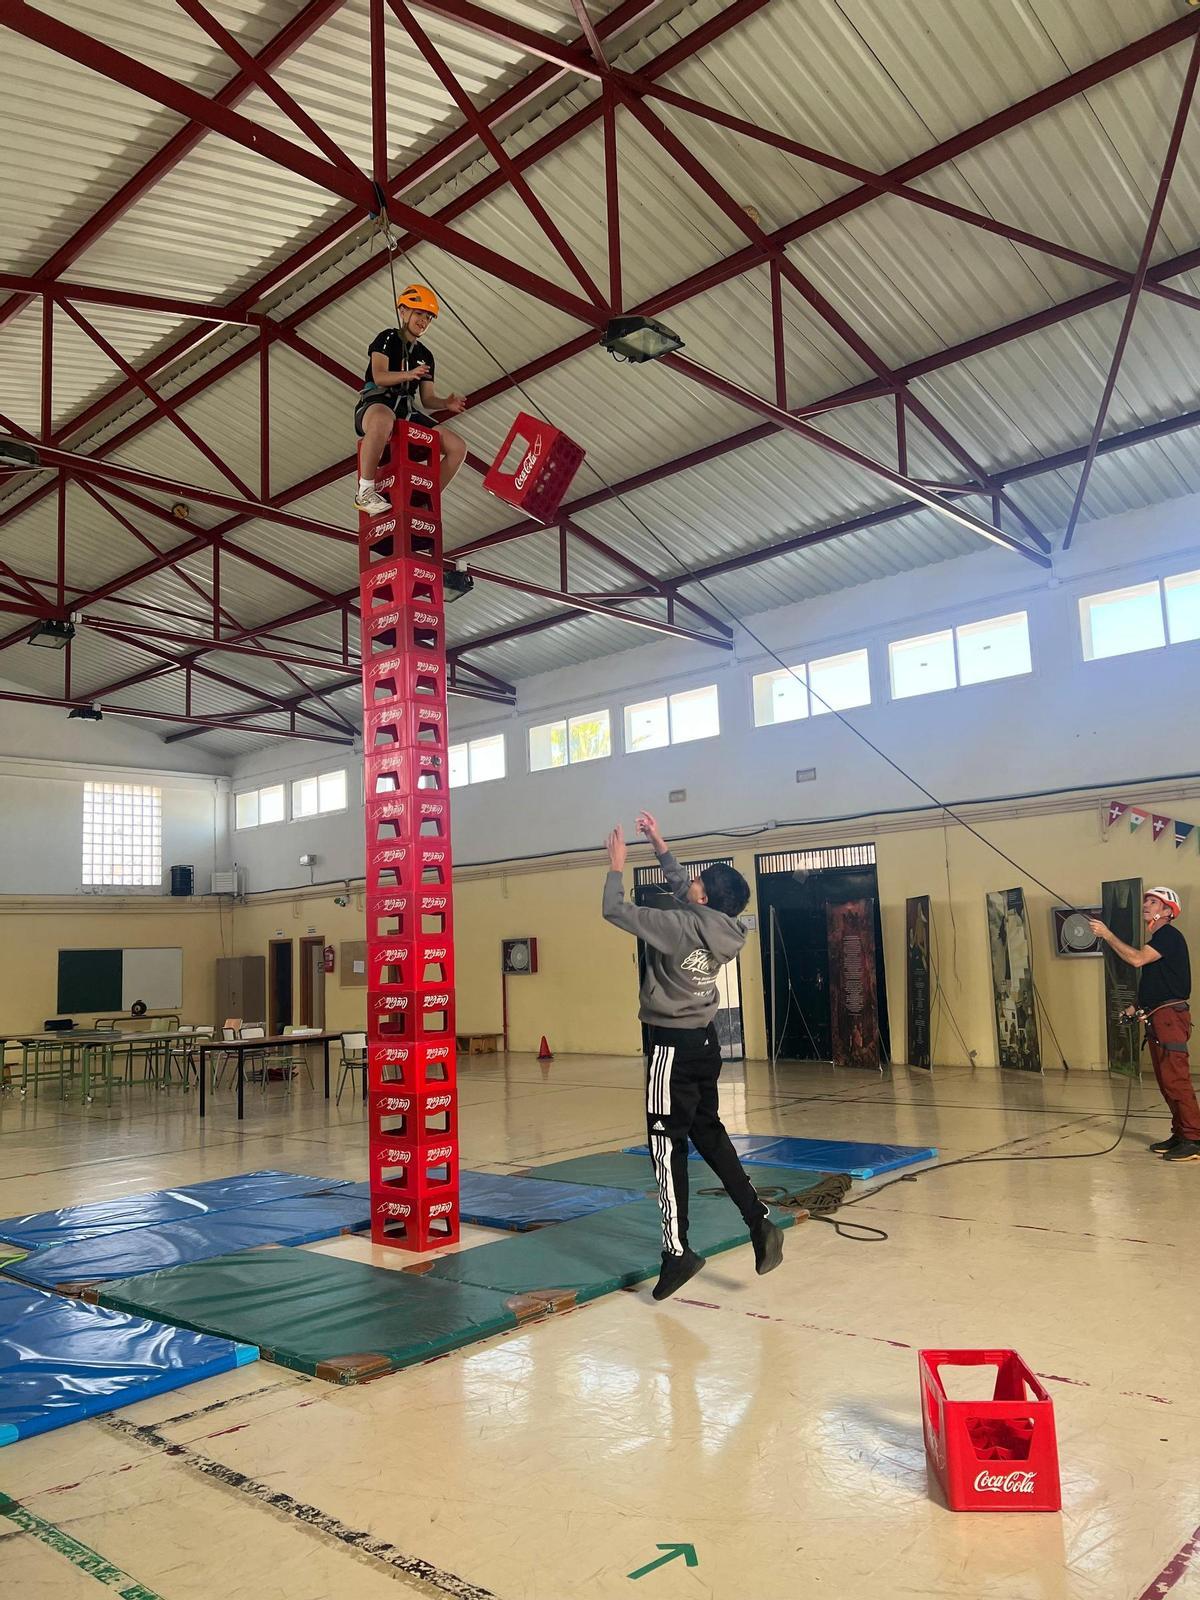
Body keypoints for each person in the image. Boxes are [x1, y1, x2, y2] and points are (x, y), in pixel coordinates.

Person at [602, 810, 784, 1300]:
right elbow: (687, 889)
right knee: (709, 1132)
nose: (690, 883)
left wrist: (616, 866)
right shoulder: (727, 928)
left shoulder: (678, 926)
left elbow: (615, 910)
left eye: (697, 882)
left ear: (702, 898)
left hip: (670, 1045)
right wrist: (659, 843)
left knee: (666, 1146)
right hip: (705, 1041)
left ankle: (676, 1251)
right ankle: (759, 1221)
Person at [1090, 886, 1198, 1162]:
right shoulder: (1158, 940)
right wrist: (1136, 1006)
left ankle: (1194, 1139)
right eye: (1146, 901)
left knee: (1176, 1080)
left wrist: (1107, 935)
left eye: (1153, 902)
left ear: (1168, 911)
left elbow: (1137, 960)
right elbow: (1157, 983)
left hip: (1169, 1018)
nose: (1146, 905)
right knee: (1166, 1082)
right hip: (1158, 1016)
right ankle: (1181, 1134)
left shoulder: (1169, 936)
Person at [353, 284, 466, 515]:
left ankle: (426, 502)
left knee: (457, 447)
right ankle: (365, 492)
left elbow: (427, 398)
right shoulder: (387, 338)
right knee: (383, 419)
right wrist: (407, 375)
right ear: (403, 311)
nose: (424, 321)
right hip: (377, 403)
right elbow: (379, 376)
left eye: (428, 317)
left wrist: (445, 403)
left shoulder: (425, 355)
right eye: (419, 313)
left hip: (406, 411)